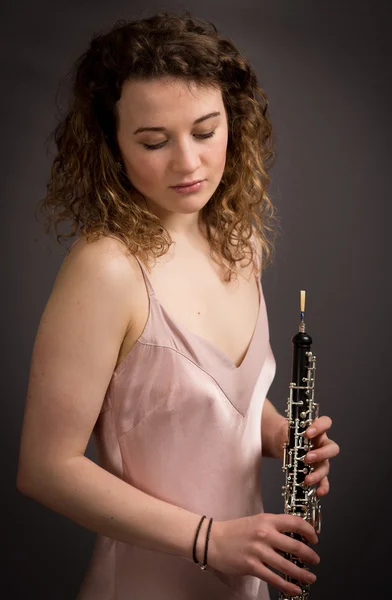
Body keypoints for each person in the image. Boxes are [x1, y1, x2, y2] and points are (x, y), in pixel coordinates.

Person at [17, 11, 340, 600]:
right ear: (111, 143)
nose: (188, 164)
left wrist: (279, 433)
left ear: (233, 123)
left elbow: (211, 402)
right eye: (153, 140)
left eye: (206, 130)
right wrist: (208, 539)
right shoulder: (106, 269)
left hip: (245, 584)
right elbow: (44, 467)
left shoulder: (237, 241)